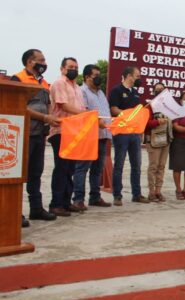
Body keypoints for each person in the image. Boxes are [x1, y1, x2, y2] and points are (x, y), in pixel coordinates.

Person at [11, 49, 58, 226]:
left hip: (40, 134)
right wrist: (44, 117)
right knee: (19, 175)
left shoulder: (44, 82)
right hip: (24, 132)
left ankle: (36, 209)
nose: (44, 63)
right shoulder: (18, 79)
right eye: (41, 60)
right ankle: (15, 212)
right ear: (30, 61)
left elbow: (48, 104)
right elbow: (16, 106)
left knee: (35, 173)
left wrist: (50, 117)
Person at [48, 57, 86, 216]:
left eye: (76, 67)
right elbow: (63, 105)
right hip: (61, 131)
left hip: (74, 133)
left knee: (70, 169)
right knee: (61, 168)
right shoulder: (59, 83)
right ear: (62, 69)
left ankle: (66, 202)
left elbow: (80, 107)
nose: (74, 70)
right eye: (70, 67)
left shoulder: (77, 87)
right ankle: (55, 204)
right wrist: (86, 114)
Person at [72, 64, 112, 211]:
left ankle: (95, 197)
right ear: (87, 77)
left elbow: (105, 112)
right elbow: (85, 113)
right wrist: (98, 122)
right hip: (88, 136)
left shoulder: (101, 93)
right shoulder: (82, 92)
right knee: (82, 168)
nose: (99, 78)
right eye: (95, 75)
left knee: (97, 169)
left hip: (103, 135)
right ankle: (78, 199)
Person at [108, 66, 150, 205]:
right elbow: (113, 109)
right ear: (128, 76)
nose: (139, 79)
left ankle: (136, 194)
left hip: (135, 133)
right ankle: (117, 195)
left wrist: (141, 130)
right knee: (119, 164)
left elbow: (138, 114)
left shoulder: (136, 93)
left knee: (136, 165)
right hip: (122, 133)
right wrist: (127, 117)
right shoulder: (116, 90)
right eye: (137, 76)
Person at [145, 83, 173, 202]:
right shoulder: (149, 106)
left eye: (162, 90)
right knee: (153, 166)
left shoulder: (169, 106)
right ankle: (151, 192)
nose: (160, 92)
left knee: (161, 166)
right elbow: (145, 123)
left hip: (166, 140)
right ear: (153, 92)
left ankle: (158, 191)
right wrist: (157, 122)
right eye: (157, 90)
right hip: (153, 140)